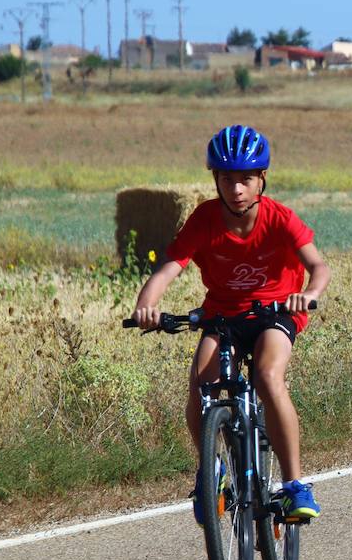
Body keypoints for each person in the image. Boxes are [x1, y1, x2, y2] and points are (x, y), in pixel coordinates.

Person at [131, 125, 331, 521]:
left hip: (275, 313)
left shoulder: (280, 218)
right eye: (226, 179)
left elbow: (318, 266)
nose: (236, 188)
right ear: (215, 180)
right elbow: (169, 269)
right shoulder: (204, 219)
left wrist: (309, 295)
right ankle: (214, 471)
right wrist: (147, 305)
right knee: (201, 382)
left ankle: (294, 485)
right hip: (223, 316)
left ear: (261, 181)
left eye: (245, 179)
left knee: (268, 376)